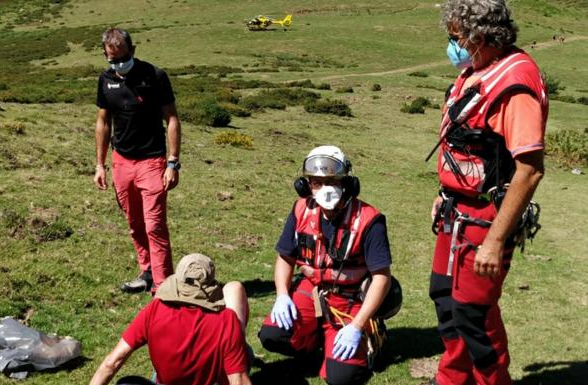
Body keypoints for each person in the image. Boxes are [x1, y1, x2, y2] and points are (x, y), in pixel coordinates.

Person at [428, 1, 548, 385]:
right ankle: (453, 378)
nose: (452, 45)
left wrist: (495, 241)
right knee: (445, 299)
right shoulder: (478, 70)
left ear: (480, 37)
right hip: (455, 211)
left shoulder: (516, 85)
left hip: (485, 218)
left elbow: (529, 171)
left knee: (473, 315)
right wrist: (442, 191)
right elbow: (465, 146)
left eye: (456, 37)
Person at [258, 145, 402, 385]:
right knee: (273, 335)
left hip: (351, 298)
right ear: (306, 185)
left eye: (332, 181)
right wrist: (282, 295)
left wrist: (356, 326)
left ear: (347, 184)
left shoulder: (369, 220)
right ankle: (314, 341)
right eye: (316, 182)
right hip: (311, 290)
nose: (324, 189)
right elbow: (285, 257)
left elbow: (381, 278)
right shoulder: (301, 209)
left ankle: (372, 337)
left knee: (340, 377)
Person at [93, 27, 181, 293]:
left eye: (123, 58)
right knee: (135, 224)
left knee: (154, 224)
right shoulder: (105, 80)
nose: (119, 64)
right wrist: (100, 164)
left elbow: (172, 119)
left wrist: (172, 162)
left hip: (152, 162)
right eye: (113, 59)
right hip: (121, 162)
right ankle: (147, 273)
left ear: (133, 50)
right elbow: (103, 122)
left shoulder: (155, 76)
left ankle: (164, 285)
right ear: (105, 55)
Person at [89, 253, 253, 385]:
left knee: (126, 383)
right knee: (247, 352)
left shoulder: (154, 310)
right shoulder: (227, 320)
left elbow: (113, 362)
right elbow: (238, 379)